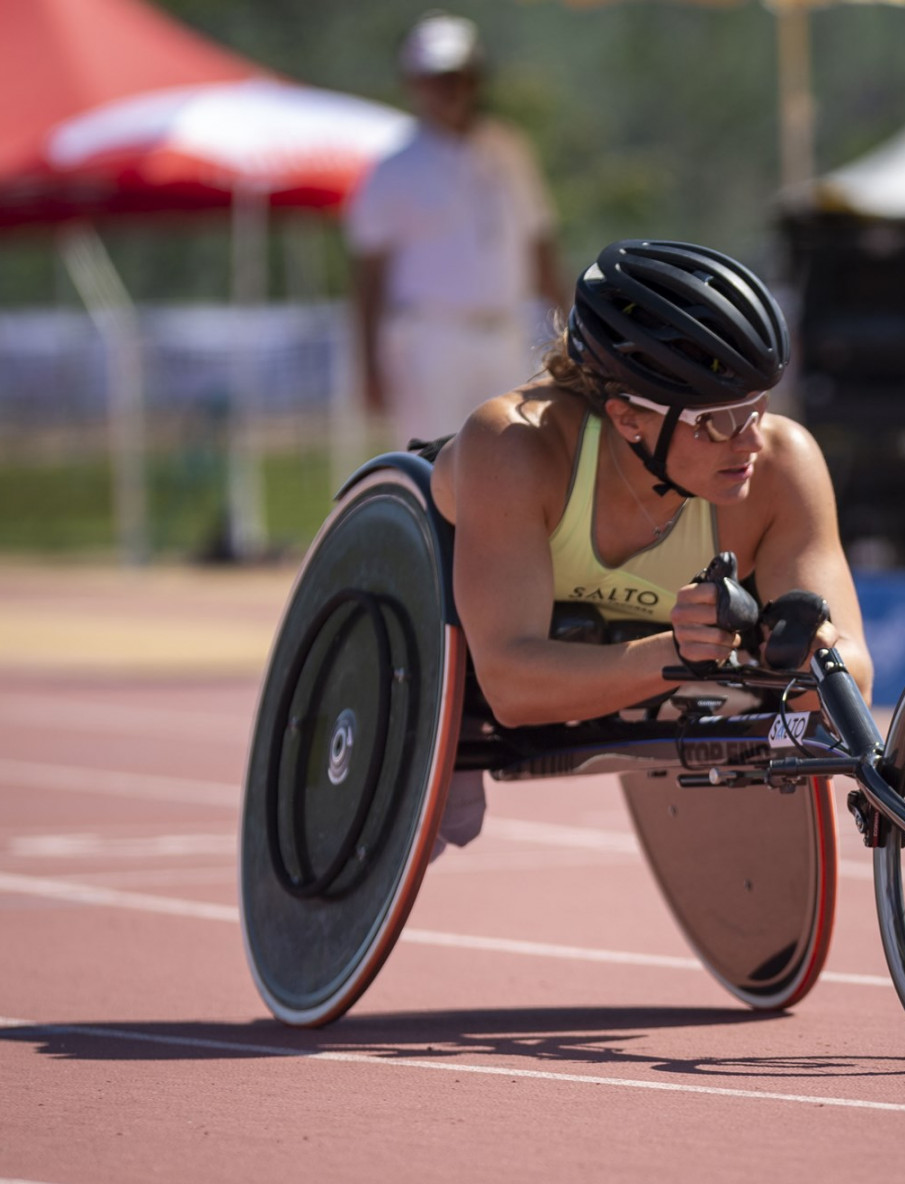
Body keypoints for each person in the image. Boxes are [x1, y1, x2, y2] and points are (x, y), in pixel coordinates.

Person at [425, 239, 872, 850]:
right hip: (443, 606)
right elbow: (513, 688)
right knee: (444, 827)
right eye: (717, 422)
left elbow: (855, 671)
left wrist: (815, 653)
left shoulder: (782, 466)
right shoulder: (514, 449)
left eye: (757, 407)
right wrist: (677, 653)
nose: (749, 442)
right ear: (629, 418)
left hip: (601, 646)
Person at [346, 11, 572, 445]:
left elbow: (539, 243)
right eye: (436, 78)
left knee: (514, 455)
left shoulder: (509, 149)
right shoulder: (393, 167)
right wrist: (368, 368)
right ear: (414, 84)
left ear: (476, 79)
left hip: (508, 333)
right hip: (431, 340)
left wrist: (569, 334)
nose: (449, 89)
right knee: (435, 460)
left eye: (458, 76)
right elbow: (369, 276)